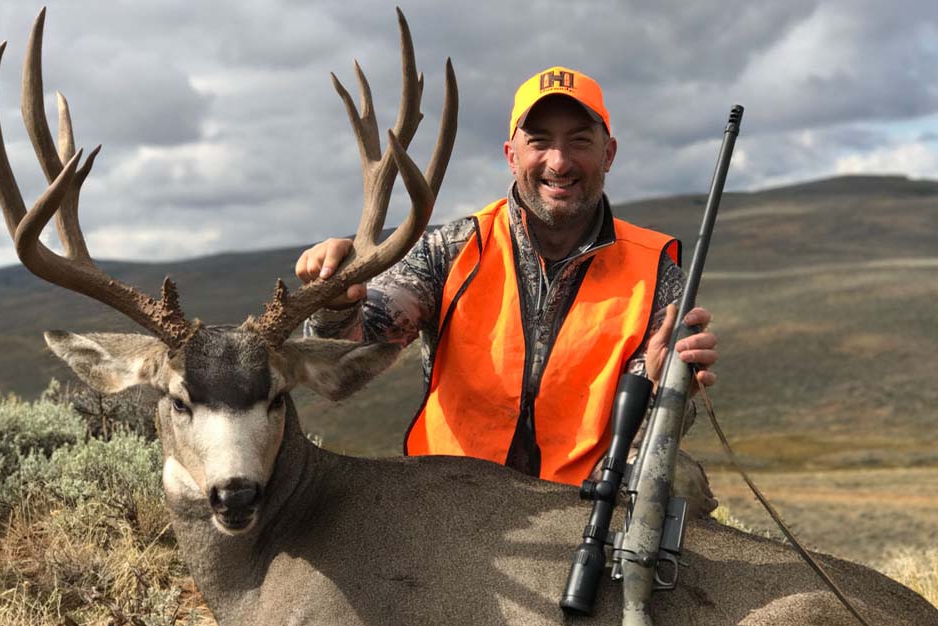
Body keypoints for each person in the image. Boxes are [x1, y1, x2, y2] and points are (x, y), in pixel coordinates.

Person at [297, 66, 718, 515]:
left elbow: (650, 436)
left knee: (677, 481)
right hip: (449, 497)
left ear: (608, 153)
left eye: (579, 140)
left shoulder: (656, 271)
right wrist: (338, 302)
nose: (559, 162)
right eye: (539, 141)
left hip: (580, 508)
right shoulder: (452, 250)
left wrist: (665, 388)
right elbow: (341, 371)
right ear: (511, 155)